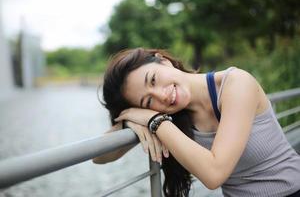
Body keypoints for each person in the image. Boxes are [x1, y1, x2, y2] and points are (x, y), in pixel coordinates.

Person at [93, 48, 300, 197]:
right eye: (148, 102)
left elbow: (214, 174)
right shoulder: (172, 118)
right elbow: (99, 157)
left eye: (153, 80)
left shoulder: (236, 83)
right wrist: (131, 121)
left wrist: (153, 120)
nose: (161, 96)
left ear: (163, 60)